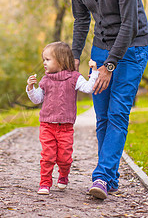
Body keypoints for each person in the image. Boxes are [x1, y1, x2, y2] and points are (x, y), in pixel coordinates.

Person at [51, 0, 148, 200]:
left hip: (131, 50)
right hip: (101, 48)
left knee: (118, 114)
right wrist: (73, 56)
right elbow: (81, 19)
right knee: (103, 116)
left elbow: (130, 25)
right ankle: (111, 178)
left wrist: (109, 66)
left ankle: (102, 176)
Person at [26, 41, 99, 195]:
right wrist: (31, 88)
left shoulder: (74, 78)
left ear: (61, 60)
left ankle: (63, 176)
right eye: (43, 60)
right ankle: (44, 183)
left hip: (65, 127)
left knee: (65, 158)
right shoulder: (45, 80)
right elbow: (37, 99)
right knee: (48, 156)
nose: (44, 63)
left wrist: (94, 72)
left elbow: (88, 88)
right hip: (47, 125)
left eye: (47, 59)